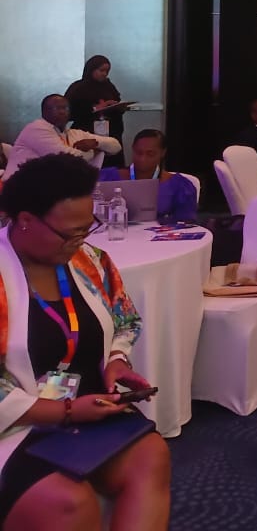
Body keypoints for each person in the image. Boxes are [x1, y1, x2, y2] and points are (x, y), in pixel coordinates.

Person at [0, 154, 170, 530]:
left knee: (151, 456)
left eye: (86, 228)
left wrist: (117, 360)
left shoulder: (90, 259)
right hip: (14, 423)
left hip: (88, 405)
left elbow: (126, 319)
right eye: (69, 233)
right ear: (25, 220)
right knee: (68, 504)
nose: (80, 241)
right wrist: (64, 412)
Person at [4, 95, 121, 180]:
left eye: (65, 108)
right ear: (44, 112)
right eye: (57, 108)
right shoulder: (36, 129)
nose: (62, 112)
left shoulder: (73, 133)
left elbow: (116, 146)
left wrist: (96, 144)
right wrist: (93, 152)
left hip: (45, 188)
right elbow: (65, 158)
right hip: (19, 187)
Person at [99, 130, 198, 225]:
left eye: (150, 154)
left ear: (163, 153)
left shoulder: (179, 186)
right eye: (138, 152)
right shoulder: (107, 177)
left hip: (160, 235)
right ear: (133, 149)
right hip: (118, 232)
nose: (142, 159)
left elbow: (185, 223)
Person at [64, 56, 126, 164]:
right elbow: (68, 112)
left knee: (112, 164)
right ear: (91, 69)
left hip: (110, 133)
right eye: (101, 70)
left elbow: (116, 100)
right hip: (87, 133)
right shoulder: (78, 88)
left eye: (107, 71)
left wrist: (118, 107)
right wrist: (95, 108)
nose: (104, 74)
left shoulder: (108, 86)